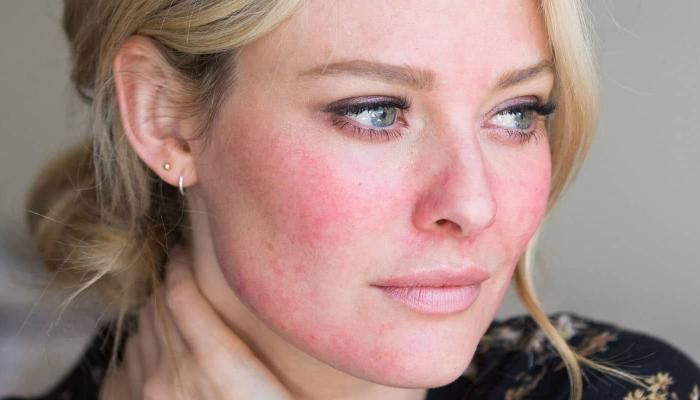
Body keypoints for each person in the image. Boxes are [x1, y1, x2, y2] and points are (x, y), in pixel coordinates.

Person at [3, 0, 699, 399]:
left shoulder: (619, 385)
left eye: (517, 112)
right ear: (165, 118)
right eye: (375, 111)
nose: (473, 205)